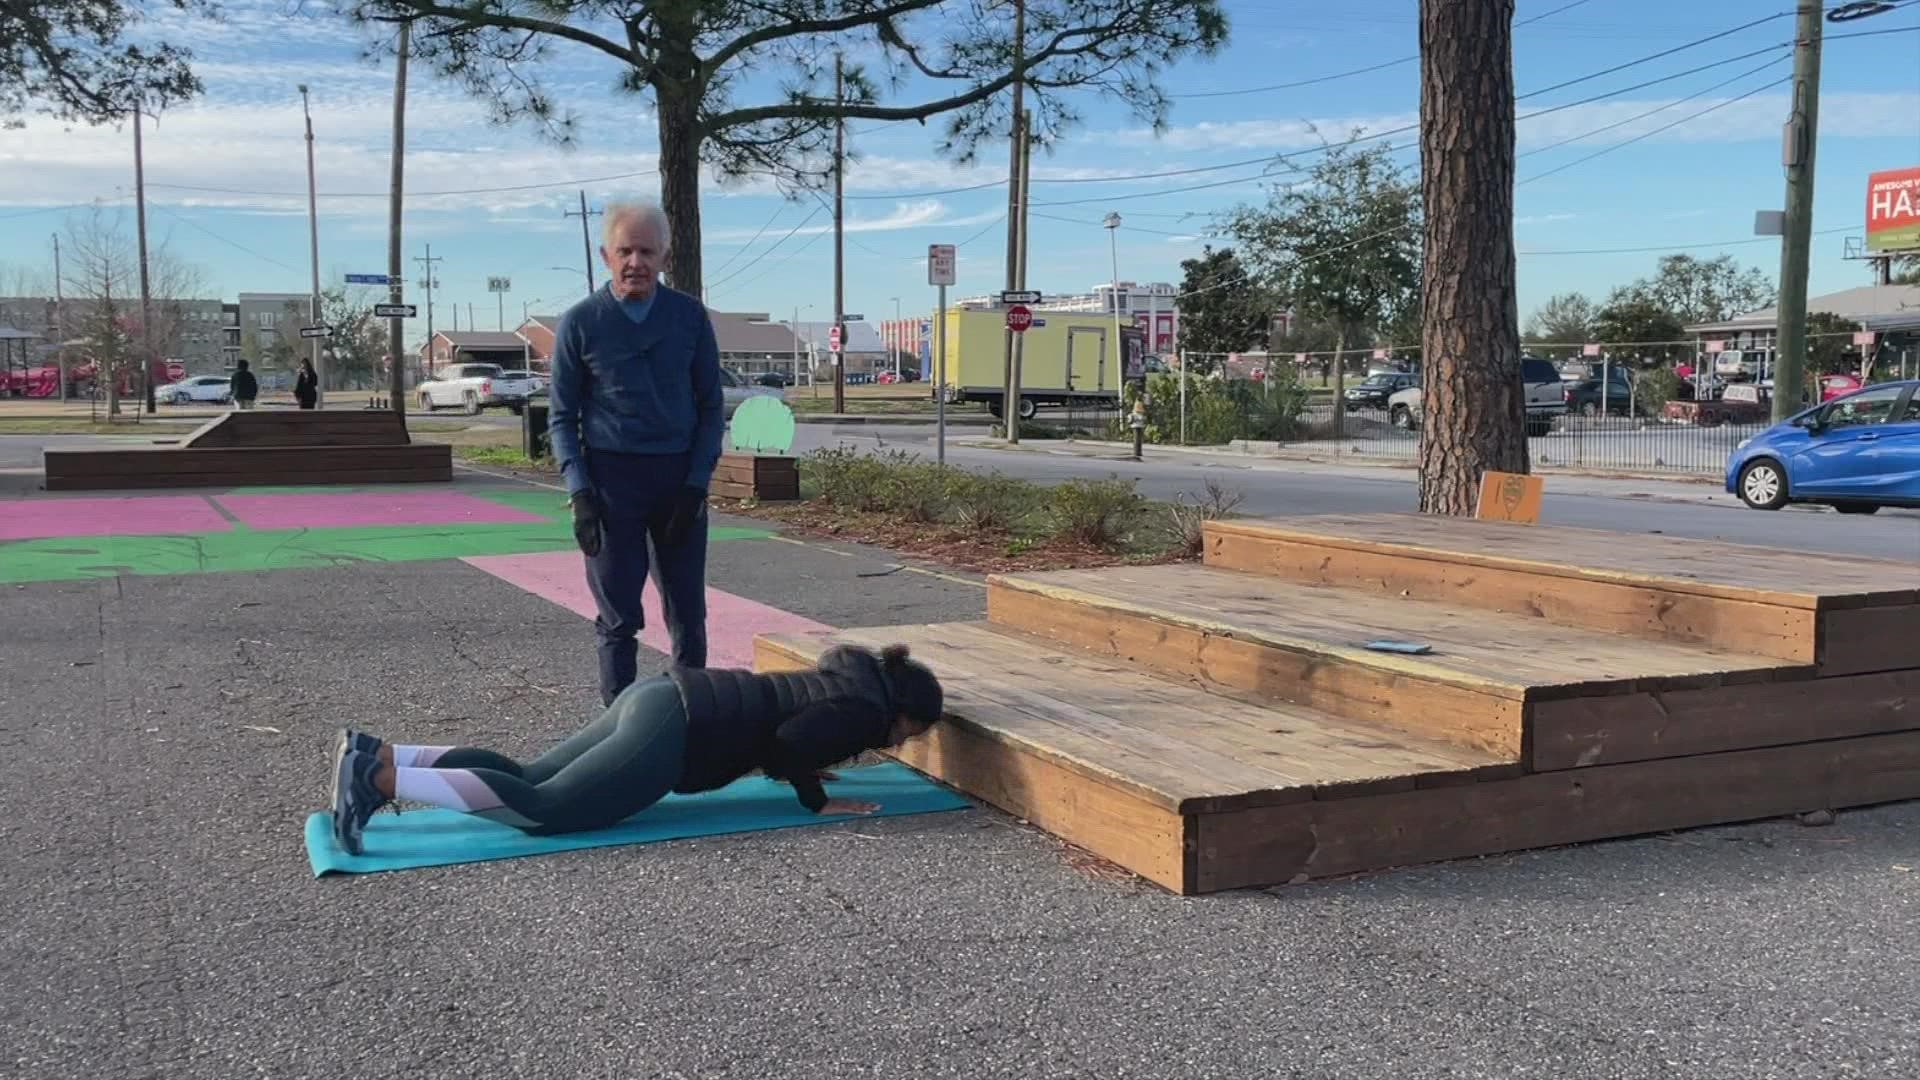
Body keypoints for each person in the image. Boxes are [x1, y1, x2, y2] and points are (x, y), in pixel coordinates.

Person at [327, 643, 945, 855]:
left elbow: (794, 725)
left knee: (529, 774)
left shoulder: (847, 676)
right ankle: (378, 783)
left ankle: (380, 755)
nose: (901, 743)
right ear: (902, 712)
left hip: (661, 693)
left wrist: (808, 765)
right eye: (910, 733)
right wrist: (816, 802)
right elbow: (789, 743)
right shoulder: (860, 713)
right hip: (674, 729)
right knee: (545, 811)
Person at [547, 199, 725, 703]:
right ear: (605, 255)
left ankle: (693, 724)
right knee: (619, 616)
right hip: (610, 483)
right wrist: (580, 493)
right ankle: (617, 728)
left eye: (647, 251)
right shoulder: (580, 323)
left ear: (665, 256)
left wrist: (695, 486)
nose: (636, 263)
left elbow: (711, 408)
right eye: (625, 251)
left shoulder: (689, 318)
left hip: (678, 482)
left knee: (687, 610)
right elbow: (562, 417)